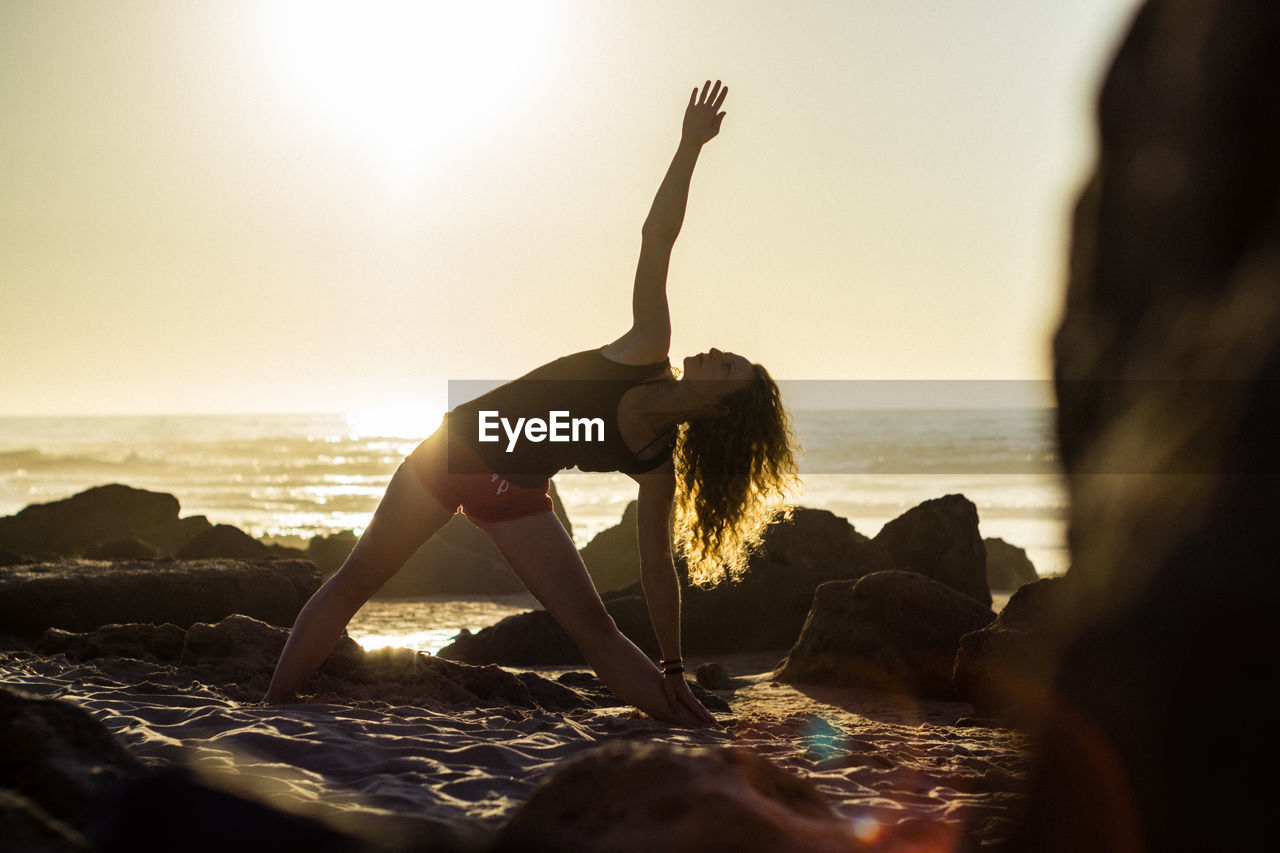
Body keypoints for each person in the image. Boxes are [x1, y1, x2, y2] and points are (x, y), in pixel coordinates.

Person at [263, 80, 799, 726]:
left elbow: (659, 572)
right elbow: (655, 239)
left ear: (721, 412)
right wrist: (689, 147)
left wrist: (676, 664)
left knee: (597, 629)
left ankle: (694, 724)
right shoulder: (647, 346)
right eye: (728, 354)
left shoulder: (658, 461)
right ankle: (272, 706)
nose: (716, 351)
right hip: (458, 448)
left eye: (729, 366)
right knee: (356, 581)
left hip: (513, 494)